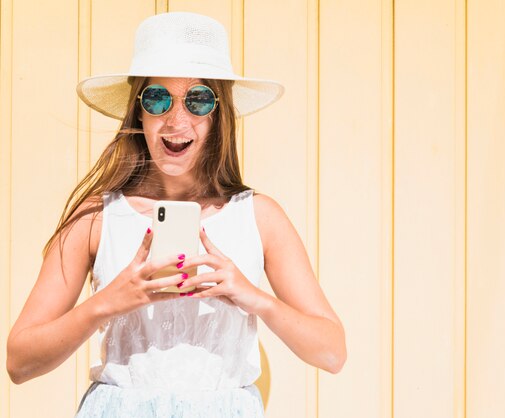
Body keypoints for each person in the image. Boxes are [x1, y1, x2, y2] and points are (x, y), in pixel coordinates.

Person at [6, 12, 346, 417]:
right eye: (157, 98)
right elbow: (19, 361)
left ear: (218, 115)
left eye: (198, 99)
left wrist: (251, 296)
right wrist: (108, 302)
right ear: (138, 112)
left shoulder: (260, 217)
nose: (176, 119)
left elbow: (332, 353)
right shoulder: (97, 217)